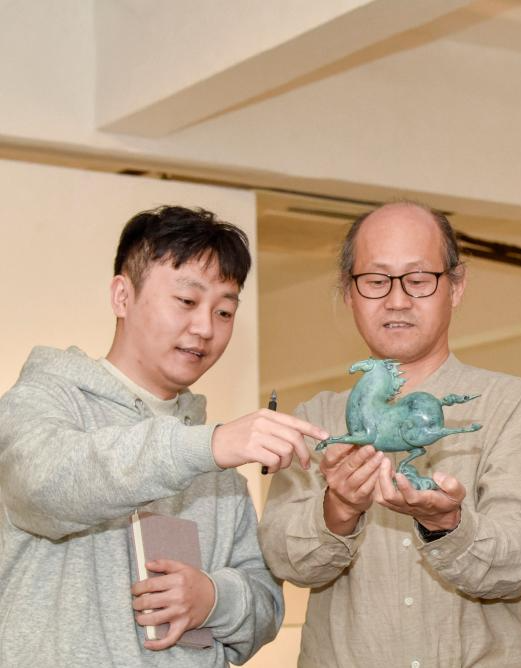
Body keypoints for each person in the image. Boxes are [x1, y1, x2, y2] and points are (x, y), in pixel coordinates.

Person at [0, 205, 329, 667]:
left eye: (224, 311)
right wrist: (207, 447)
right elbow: (44, 488)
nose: (205, 328)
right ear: (122, 296)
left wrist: (213, 598)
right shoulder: (46, 400)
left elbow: (266, 607)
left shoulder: (216, 463)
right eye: (187, 301)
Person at [258, 201, 521, 667]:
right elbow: (283, 557)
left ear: (456, 286)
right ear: (349, 292)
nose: (397, 300)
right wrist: (337, 509)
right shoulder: (314, 420)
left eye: (419, 279)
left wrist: (449, 525)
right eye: (376, 280)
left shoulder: (513, 406)